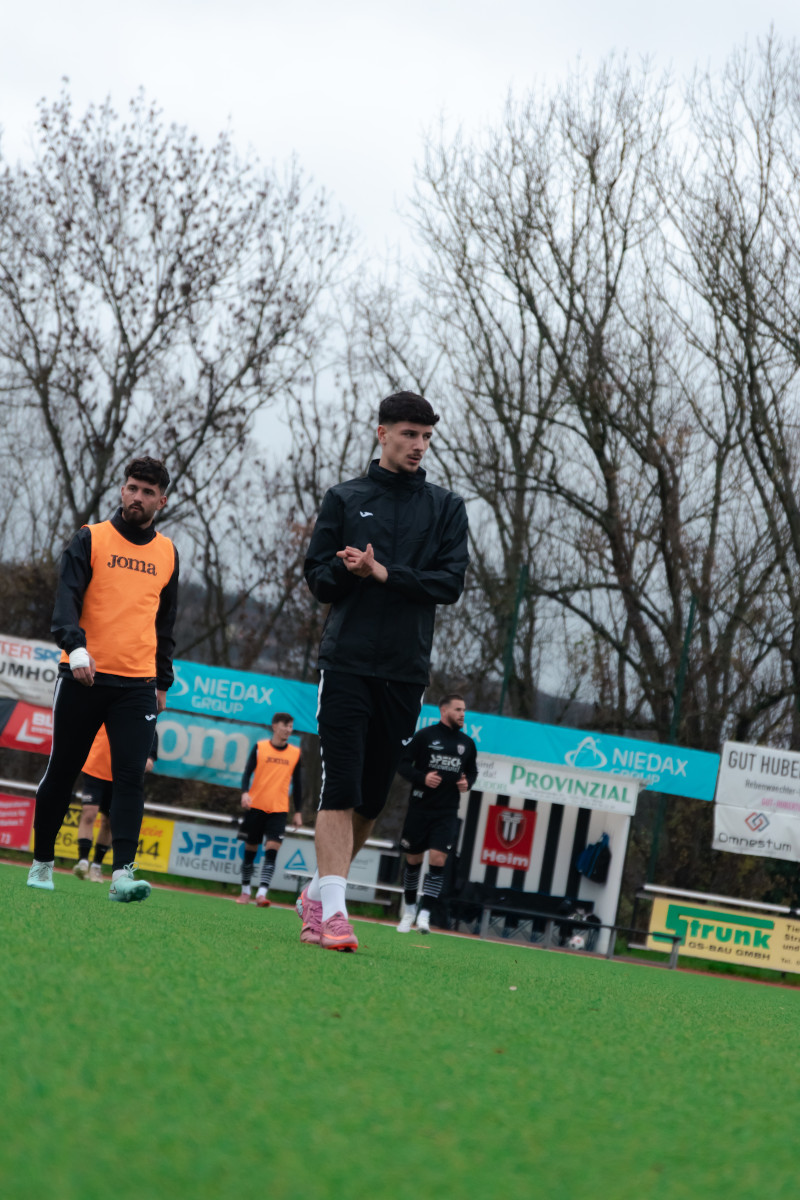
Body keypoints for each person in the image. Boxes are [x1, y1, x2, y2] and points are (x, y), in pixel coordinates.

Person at [300, 391, 469, 951]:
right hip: (346, 663)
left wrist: (384, 573)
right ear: (382, 434)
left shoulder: (446, 507)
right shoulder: (344, 498)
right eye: (408, 434)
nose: (419, 445)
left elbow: (449, 585)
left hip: (405, 672)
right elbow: (319, 580)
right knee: (340, 787)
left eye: (425, 437)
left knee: (372, 800)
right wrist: (351, 572)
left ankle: (316, 895)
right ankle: (336, 916)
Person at [27, 456, 179, 902]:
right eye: (132, 487)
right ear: (121, 490)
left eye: (148, 492)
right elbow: (66, 599)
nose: (138, 497)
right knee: (63, 769)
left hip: (137, 685)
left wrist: (162, 681)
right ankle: (41, 862)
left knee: (130, 777)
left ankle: (122, 875)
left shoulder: (168, 552)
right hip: (82, 675)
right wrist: (74, 646)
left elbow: (165, 624)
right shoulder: (90, 537)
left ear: (161, 501)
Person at [395, 693, 478, 933]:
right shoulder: (424, 736)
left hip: (447, 812)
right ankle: (409, 909)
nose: (463, 714)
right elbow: (402, 764)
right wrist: (422, 778)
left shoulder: (467, 743)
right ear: (444, 711)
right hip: (419, 809)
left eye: (464, 710)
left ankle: (425, 914)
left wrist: (467, 783)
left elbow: (472, 773)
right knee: (413, 860)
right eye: (458, 709)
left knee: (438, 860)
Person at [72, 724, 159, 882]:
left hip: (120, 774)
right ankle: (83, 862)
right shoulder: (102, 706)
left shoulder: (136, 711)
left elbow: (150, 731)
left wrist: (150, 758)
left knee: (109, 821)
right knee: (89, 813)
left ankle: (96, 866)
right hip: (94, 769)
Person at [236, 713, 304, 906]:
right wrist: (244, 793)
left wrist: (298, 811)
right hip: (255, 806)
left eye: (291, 726)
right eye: (285, 725)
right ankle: (246, 890)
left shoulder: (295, 753)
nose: (288, 730)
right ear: (275, 726)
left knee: (272, 849)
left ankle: (262, 893)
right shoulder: (260, 747)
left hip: (279, 809)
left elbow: (298, 784)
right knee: (251, 849)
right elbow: (247, 773)